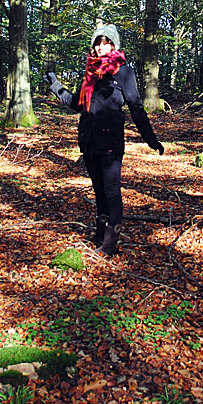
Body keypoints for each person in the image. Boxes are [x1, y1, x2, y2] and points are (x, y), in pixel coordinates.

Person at [43, 24, 165, 256]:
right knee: (98, 191)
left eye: (106, 42)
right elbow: (77, 104)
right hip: (89, 142)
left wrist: (151, 139)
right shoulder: (90, 74)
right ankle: (100, 234)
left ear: (114, 45)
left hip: (110, 143)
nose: (101, 47)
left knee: (111, 192)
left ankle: (110, 244)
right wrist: (55, 85)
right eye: (97, 43)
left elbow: (136, 108)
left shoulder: (124, 73)